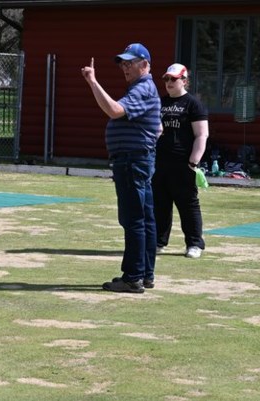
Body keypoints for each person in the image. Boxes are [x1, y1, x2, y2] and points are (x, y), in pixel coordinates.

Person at [81, 43, 162, 293]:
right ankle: (144, 274)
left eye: (130, 63)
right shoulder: (142, 89)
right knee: (144, 219)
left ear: (145, 65)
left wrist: (93, 82)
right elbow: (157, 128)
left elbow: (115, 110)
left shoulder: (143, 88)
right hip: (137, 160)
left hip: (132, 161)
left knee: (133, 219)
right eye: (123, 64)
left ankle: (133, 277)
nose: (125, 68)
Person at [153, 63, 208, 258]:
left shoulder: (193, 104)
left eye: (173, 79)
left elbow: (202, 134)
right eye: (166, 79)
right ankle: (159, 242)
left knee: (188, 204)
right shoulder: (160, 102)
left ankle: (194, 244)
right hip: (159, 163)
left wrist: (194, 162)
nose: (169, 82)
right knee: (160, 204)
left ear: (184, 80)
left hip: (183, 164)